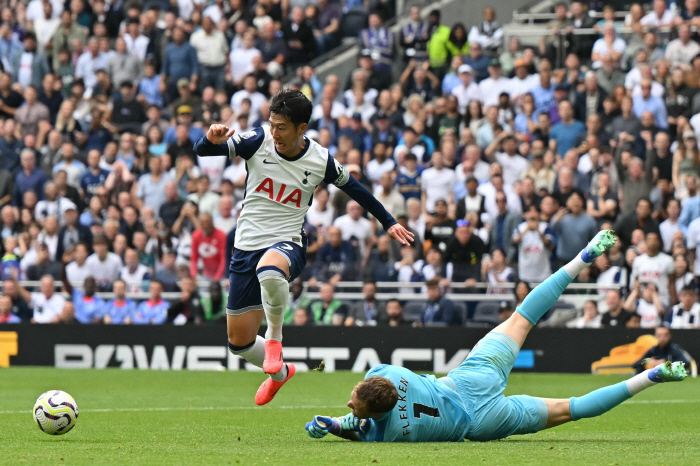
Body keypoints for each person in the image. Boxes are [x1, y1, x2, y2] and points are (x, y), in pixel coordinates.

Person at [305, 231, 689, 443]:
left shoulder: (392, 436)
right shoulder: (390, 372)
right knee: (524, 315)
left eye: (353, 401)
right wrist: (343, 418)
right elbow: (365, 413)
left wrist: (337, 424)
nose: (349, 401)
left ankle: (650, 376)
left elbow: (360, 427)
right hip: (471, 378)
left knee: (571, 409)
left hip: (481, 422)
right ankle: (584, 256)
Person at [193, 89, 413, 406]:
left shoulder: (320, 160)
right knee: (239, 343)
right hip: (245, 248)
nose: (275, 133)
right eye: (272, 124)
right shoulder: (257, 141)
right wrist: (210, 138)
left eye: (282, 127)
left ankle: (275, 341)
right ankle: (281, 373)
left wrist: (388, 221)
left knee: (269, 270)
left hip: (288, 243)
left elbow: (356, 189)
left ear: (301, 128)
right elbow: (201, 151)